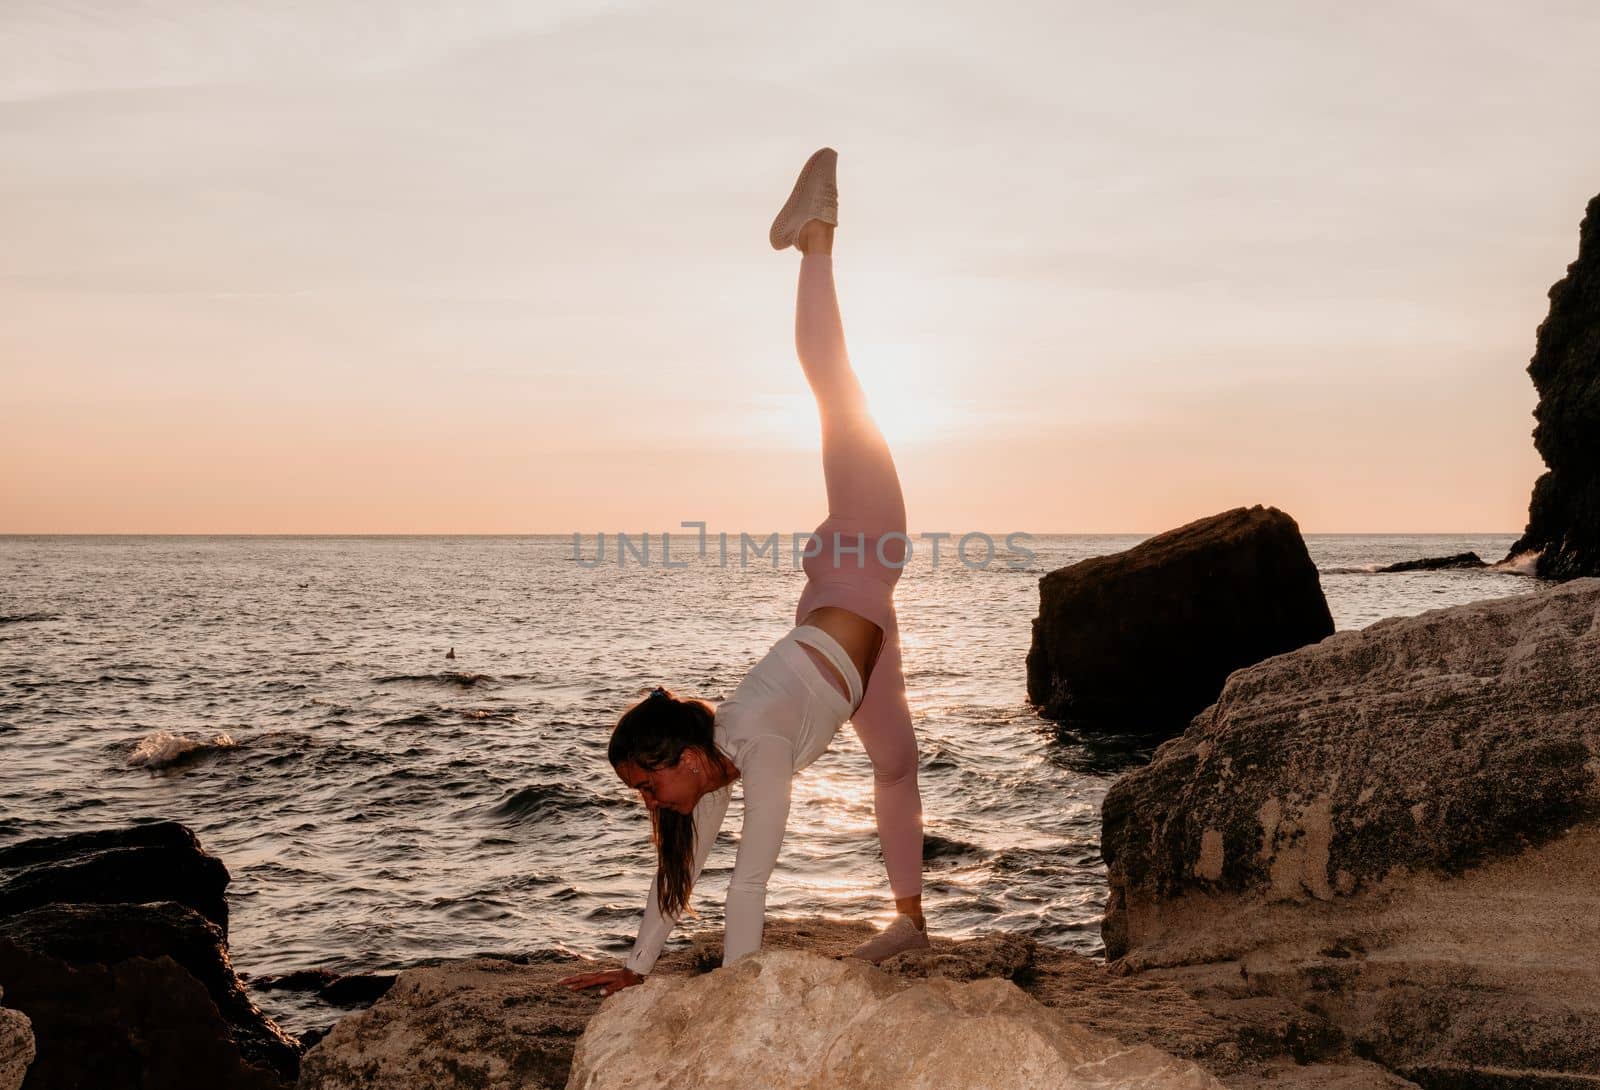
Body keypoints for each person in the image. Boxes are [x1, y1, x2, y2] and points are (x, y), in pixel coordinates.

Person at [559, 148, 927, 998]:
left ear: (686, 755)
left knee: (836, 392)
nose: (650, 802)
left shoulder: (752, 748)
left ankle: (817, 233)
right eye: (640, 794)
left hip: (861, 560)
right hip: (849, 631)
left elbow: (751, 884)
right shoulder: (715, 771)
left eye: (649, 784)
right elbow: (676, 882)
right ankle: (910, 920)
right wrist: (630, 969)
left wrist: (733, 997)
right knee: (897, 762)